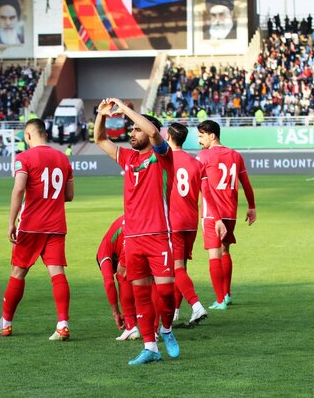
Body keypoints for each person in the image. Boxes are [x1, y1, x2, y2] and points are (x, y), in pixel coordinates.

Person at [94, 98, 178, 365]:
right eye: (131, 130)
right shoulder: (128, 157)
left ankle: (166, 328)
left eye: (136, 129)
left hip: (158, 235)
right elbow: (100, 140)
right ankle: (150, 347)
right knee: (140, 293)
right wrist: (102, 116)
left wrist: (126, 109)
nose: (132, 133)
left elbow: (153, 132)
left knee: (165, 293)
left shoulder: (162, 156)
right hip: (133, 238)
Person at [0, 118, 74, 340]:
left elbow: (18, 190)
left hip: (31, 225)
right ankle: (62, 324)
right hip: (56, 225)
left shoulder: (24, 157)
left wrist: (10, 222)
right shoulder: (63, 158)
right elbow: (69, 196)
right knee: (57, 273)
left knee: (18, 272)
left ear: (28, 136)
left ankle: (5, 323)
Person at [167, 122, 226, 325]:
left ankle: (196, 306)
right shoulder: (195, 162)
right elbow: (208, 194)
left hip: (172, 222)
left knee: (176, 270)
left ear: (168, 137)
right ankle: (174, 312)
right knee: (181, 268)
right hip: (190, 223)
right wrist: (218, 218)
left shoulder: (163, 161)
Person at [196, 120, 256, 309]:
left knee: (214, 255)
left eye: (201, 136)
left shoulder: (203, 156)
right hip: (230, 212)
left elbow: (201, 187)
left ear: (212, 135)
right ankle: (227, 294)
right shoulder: (235, 155)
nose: (199, 140)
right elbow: (245, 183)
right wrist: (252, 206)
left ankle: (220, 300)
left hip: (212, 213)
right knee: (225, 251)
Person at [96, 215, 139, 341]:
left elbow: (109, 282)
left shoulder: (102, 252)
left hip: (132, 232)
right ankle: (156, 329)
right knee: (148, 278)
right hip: (148, 225)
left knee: (122, 274)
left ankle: (131, 326)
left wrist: (115, 312)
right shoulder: (113, 242)